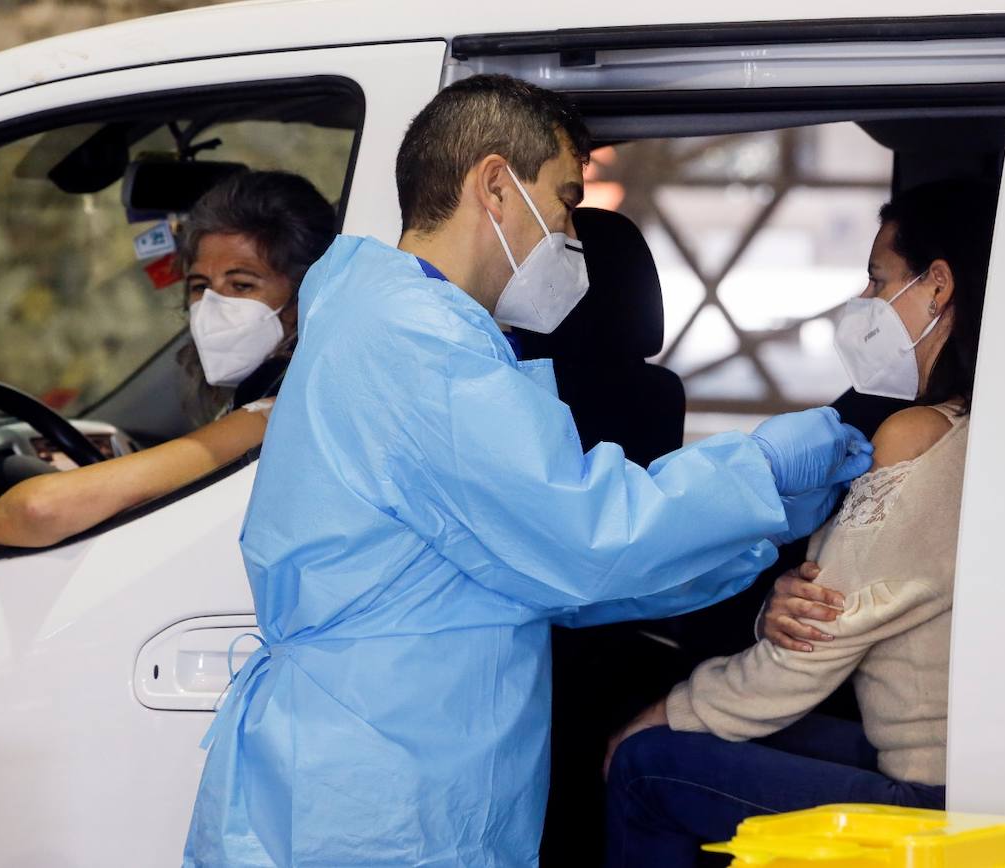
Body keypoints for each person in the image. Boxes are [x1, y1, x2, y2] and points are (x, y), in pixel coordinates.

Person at [181, 74, 873, 868]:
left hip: (390, 764)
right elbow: (585, 537)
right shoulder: (417, 343)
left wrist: (768, 516)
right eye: (566, 201)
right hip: (381, 792)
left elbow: (548, 573)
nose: (570, 232)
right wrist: (761, 465)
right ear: (496, 185)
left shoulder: (401, 323)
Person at [602, 178, 1000, 868]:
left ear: (938, 286)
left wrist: (667, 710)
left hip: (930, 794)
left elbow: (811, 650)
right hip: (962, 766)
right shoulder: (983, 426)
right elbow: (831, 606)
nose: (865, 304)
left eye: (879, 282)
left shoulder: (917, 435)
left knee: (646, 766)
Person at [0, 170, 336, 549]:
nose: (213, 305)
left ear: (306, 295)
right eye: (200, 286)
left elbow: (40, 509)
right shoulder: (269, 401)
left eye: (242, 285)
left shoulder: (274, 414)